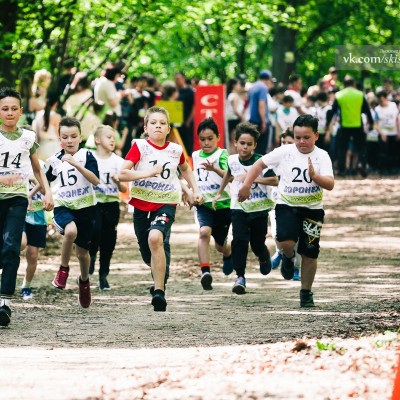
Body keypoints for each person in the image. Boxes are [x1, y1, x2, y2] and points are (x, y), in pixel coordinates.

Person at [238, 115, 334, 308]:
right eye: (297, 137)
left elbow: (330, 184)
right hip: (287, 205)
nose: (301, 142)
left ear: (316, 136)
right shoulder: (284, 152)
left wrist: (315, 176)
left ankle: (306, 292)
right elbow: (258, 165)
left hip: (312, 210)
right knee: (285, 241)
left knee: (310, 253)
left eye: (306, 137)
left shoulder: (322, 156)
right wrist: (247, 185)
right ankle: (288, 257)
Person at [119, 106, 203, 312]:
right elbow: (122, 174)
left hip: (166, 202)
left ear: (168, 129)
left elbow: (185, 170)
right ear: (146, 128)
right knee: (147, 251)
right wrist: (147, 173)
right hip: (141, 203)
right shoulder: (139, 147)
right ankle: (160, 269)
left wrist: (194, 190)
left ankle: (159, 292)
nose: (158, 126)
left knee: (155, 238)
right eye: (153, 123)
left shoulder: (175, 150)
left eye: (162, 123)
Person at [0, 88, 53, 327]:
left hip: (17, 199)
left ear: (21, 111)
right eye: (5, 109)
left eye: (14, 108)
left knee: (12, 246)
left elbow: (37, 169)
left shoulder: (28, 138)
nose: (10, 113)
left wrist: (47, 192)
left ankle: (5, 303)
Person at [213, 122, 277, 295]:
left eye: (249, 144)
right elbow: (228, 174)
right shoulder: (232, 160)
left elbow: (275, 180)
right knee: (239, 241)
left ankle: (263, 255)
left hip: (259, 209)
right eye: (242, 143)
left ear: (255, 145)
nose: (245, 147)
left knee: (256, 243)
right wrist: (219, 193)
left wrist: (252, 178)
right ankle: (240, 276)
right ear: (235, 143)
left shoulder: (261, 161)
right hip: (238, 207)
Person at [46, 117, 100, 309]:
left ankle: (84, 282)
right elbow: (45, 179)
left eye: (73, 136)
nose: (69, 140)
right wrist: (39, 194)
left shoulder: (87, 155)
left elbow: (95, 180)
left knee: (83, 253)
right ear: (59, 139)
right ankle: (63, 269)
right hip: (64, 205)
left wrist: (76, 164)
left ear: (80, 137)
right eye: (65, 137)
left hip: (86, 208)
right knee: (70, 231)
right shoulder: (55, 159)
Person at [192, 117, 233, 290]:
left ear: (218, 137)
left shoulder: (222, 154)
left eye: (210, 139)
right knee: (204, 232)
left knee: (220, 246)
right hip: (203, 204)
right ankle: (205, 272)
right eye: (202, 139)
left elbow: (229, 176)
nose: (206, 143)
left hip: (222, 205)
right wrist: (191, 193)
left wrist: (214, 168)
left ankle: (228, 253)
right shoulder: (195, 155)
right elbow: (193, 177)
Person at [89, 125, 127, 290]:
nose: (113, 140)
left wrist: (117, 181)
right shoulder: (89, 158)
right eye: (109, 137)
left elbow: (124, 189)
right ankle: (90, 260)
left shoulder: (118, 161)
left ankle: (103, 275)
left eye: (114, 138)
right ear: (97, 140)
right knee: (94, 232)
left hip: (112, 204)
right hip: (94, 203)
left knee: (108, 241)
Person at [269, 129, 301, 280]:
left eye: (289, 142)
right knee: (277, 233)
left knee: (297, 239)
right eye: (283, 142)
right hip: (276, 201)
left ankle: (296, 268)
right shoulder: (275, 157)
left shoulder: (301, 159)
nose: (286, 145)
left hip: (297, 204)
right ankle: (280, 252)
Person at [326, 76, 373, 177]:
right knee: (361, 147)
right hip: (358, 125)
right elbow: (367, 111)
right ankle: (361, 164)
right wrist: (371, 123)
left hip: (344, 125)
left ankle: (342, 169)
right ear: (353, 84)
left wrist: (327, 124)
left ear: (344, 84)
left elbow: (332, 111)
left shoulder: (339, 95)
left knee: (342, 148)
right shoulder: (360, 94)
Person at [20, 161, 48, 300]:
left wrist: (34, 179)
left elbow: (45, 191)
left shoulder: (42, 166)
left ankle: (26, 287)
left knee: (33, 255)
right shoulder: (17, 161)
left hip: (37, 216)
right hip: (19, 213)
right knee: (20, 243)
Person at [247, 69, 274, 155]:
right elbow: (261, 105)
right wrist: (263, 122)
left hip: (252, 120)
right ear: (268, 79)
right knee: (262, 148)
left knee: (254, 145)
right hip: (260, 121)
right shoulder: (263, 87)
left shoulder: (253, 87)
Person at [374, 90, 400, 175]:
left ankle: (393, 168)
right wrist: (381, 133)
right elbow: (375, 124)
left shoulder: (393, 106)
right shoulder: (377, 109)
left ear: (385, 98)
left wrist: (398, 132)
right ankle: (383, 169)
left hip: (393, 133)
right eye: (379, 101)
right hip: (383, 134)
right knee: (383, 153)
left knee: (393, 152)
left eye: (382, 100)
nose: (381, 102)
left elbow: (397, 119)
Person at [32, 91, 62, 160]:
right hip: (53, 147)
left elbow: (35, 133)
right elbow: (59, 135)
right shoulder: (56, 116)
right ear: (56, 103)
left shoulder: (38, 114)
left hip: (41, 147)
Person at [174, 72, 195, 155]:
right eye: (175, 79)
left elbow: (194, 106)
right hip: (176, 123)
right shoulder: (175, 91)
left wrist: (189, 121)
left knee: (187, 144)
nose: (177, 81)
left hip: (187, 123)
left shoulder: (190, 91)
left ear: (183, 79)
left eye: (178, 79)